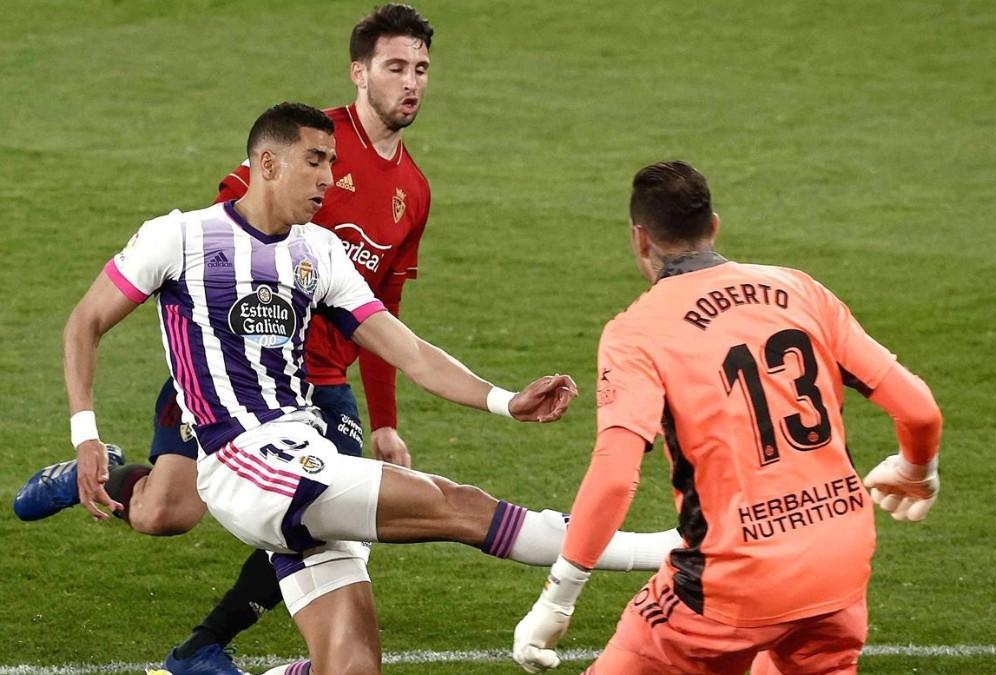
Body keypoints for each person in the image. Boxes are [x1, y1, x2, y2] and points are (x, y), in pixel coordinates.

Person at [62, 102, 679, 675]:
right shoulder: (180, 236)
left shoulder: (319, 252)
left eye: (332, 161)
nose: (329, 177)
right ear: (267, 163)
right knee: (458, 506)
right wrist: (85, 433)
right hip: (244, 464)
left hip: (304, 454)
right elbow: (85, 321)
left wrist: (503, 400)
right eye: (315, 161)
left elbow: (408, 350)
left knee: (352, 669)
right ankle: (676, 548)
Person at [511, 160, 944, 675]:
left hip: (731, 582)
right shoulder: (800, 290)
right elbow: (919, 410)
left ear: (640, 239)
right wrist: (916, 469)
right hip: (839, 563)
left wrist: (558, 597)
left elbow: (615, 476)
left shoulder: (638, 332)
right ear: (714, 226)